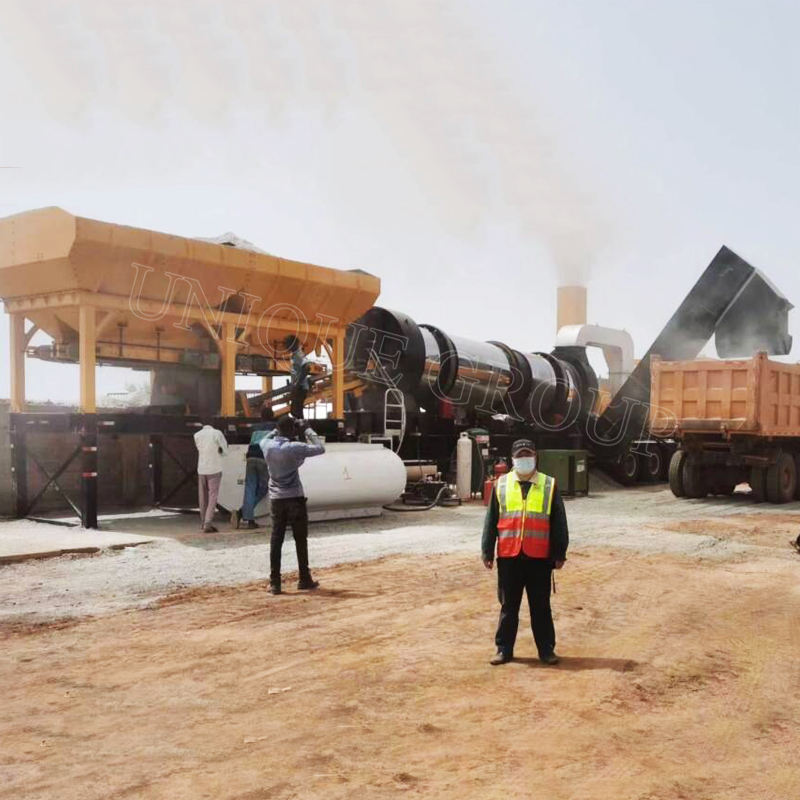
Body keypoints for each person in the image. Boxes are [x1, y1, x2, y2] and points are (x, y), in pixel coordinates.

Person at [482, 439, 569, 666]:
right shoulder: (501, 485)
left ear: (535, 457)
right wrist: (487, 551)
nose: (524, 459)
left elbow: (559, 521)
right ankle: (504, 649)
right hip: (509, 557)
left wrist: (559, 553)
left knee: (541, 607)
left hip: (539, 558)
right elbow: (491, 520)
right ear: (513, 459)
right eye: (520, 455)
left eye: (527, 455)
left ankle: (546, 650)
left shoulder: (549, 485)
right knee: (508, 607)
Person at [261, 415, 326, 594]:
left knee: (276, 540)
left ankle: (275, 583)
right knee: (300, 540)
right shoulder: (294, 447)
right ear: (292, 431)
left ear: (278, 429)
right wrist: (307, 429)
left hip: (276, 499)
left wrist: (276, 430)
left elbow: (265, 438)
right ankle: (304, 578)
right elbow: (320, 448)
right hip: (295, 497)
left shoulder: (266, 445)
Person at [231, 406, 276, 531]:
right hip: (262, 458)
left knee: (250, 489)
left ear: (261, 417)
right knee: (263, 489)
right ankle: (241, 513)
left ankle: (247, 518)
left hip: (250, 458)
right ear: (272, 416)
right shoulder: (274, 427)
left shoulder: (254, 427)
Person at [193, 423, 228, 533]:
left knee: (202, 497)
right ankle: (208, 523)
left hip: (201, 469)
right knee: (213, 496)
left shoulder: (196, 435)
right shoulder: (217, 433)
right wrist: (220, 451)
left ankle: (203, 522)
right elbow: (225, 450)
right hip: (214, 468)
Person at [286, 335, 311, 419]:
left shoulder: (298, 355)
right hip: (299, 387)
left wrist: (297, 384)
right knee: (296, 411)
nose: (287, 347)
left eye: (288, 344)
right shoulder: (295, 355)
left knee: (296, 411)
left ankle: (300, 426)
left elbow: (307, 367)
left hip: (300, 388)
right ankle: (299, 425)